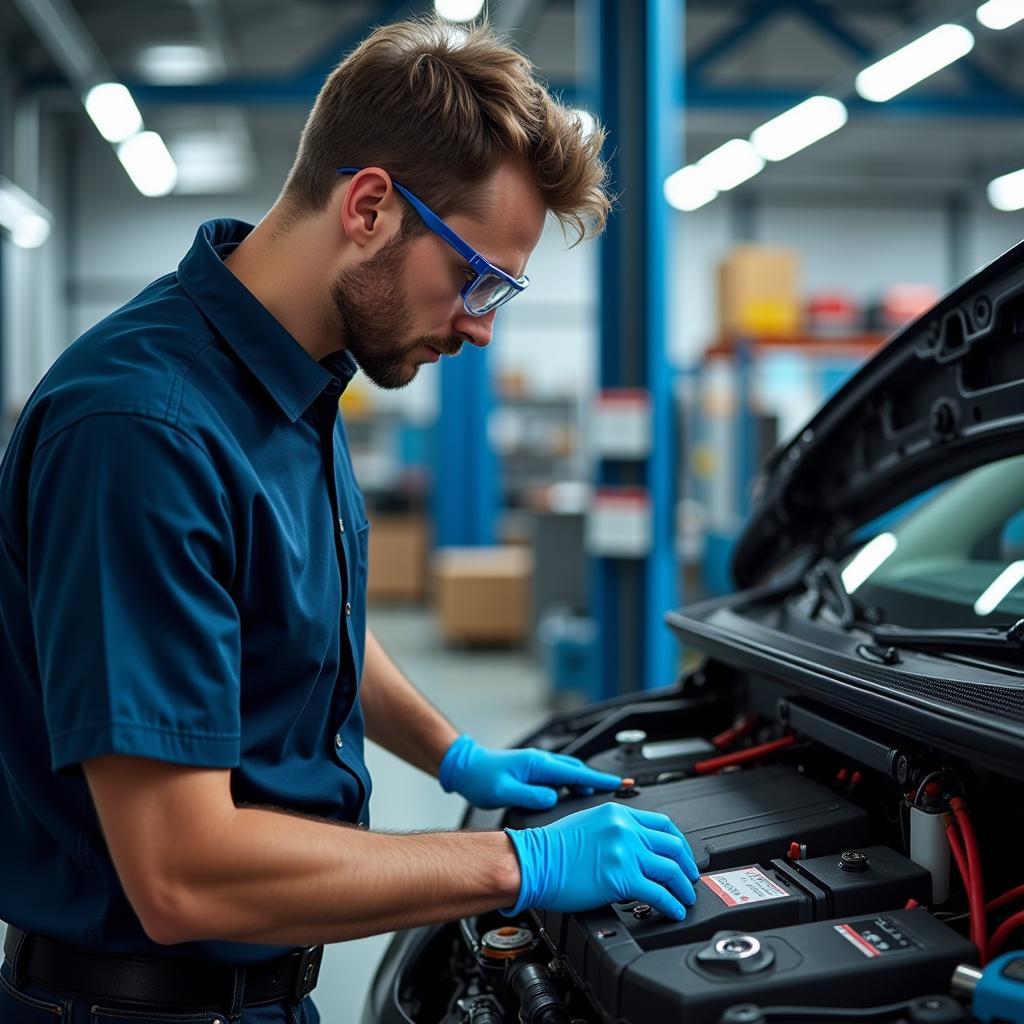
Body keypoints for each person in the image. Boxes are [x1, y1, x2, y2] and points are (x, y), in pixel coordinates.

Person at [0, 16, 699, 1023]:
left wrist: (454, 754)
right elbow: (181, 872)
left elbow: (307, 620)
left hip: (262, 991)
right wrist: (519, 861)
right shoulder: (141, 432)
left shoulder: (298, 384)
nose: (479, 323)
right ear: (369, 205)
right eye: (474, 275)